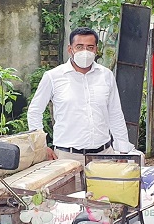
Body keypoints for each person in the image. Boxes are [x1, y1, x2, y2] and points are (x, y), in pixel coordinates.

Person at [26, 27, 134, 163]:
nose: (85, 51)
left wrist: (122, 150)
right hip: (66, 158)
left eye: (90, 47)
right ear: (70, 49)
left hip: (104, 155)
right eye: (79, 46)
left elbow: (115, 113)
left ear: (96, 49)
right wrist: (41, 146)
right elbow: (35, 111)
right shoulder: (53, 77)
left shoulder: (106, 75)